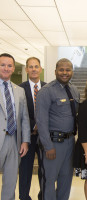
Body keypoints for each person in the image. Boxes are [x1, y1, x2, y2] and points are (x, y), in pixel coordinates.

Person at [35, 58, 80, 200]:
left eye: (68, 70)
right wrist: (48, 146)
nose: (65, 73)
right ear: (55, 71)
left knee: (66, 180)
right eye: (61, 69)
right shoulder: (46, 91)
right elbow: (41, 121)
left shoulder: (74, 89)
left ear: (72, 71)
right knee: (49, 181)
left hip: (70, 142)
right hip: (53, 143)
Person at [0, 53, 30, 200]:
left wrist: (25, 141)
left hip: (14, 141)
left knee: (11, 182)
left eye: (9, 65)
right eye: (2, 65)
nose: (6, 68)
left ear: (13, 68)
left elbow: (24, 118)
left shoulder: (19, 91)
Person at [19, 57, 46, 200]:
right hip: (26, 138)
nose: (34, 69)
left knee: (44, 170)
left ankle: (43, 196)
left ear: (41, 69)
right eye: (31, 66)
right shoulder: (19, 89)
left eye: (36, 66)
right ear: (26, 69)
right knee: (25, 171)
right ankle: (24, 197)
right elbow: (18, 114)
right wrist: (34, 125)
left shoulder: (48, 88)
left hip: (44, 138)